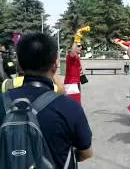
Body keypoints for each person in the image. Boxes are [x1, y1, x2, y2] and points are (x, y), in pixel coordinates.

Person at [0, 33, 92, 168]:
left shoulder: (2, 101)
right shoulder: (69, 107)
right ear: (55, 65)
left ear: (19, 64)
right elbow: (86, 153)